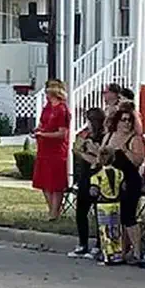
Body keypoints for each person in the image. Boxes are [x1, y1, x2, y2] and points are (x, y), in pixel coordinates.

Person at [101, 102, 145, 262]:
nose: (126, 123)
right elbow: (102, 158)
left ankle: (137, 250)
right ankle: (118, 249)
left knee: (129, 216)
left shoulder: (135, 139)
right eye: (123, 120)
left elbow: (138, 161)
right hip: (112, 181)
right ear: (117, 122)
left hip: (130, 180)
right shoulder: (109, 136)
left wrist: (125, 150)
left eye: (129, 120)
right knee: (114, 216)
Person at [69, 107, 106, 259]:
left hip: (97, 177)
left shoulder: (103, 138)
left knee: (98, 212)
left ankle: (99, 244)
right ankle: (82, 243)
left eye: (89, 121)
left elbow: (99, 160)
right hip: (85, 176)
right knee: (81, 211)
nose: (87, 124)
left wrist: (85, 153)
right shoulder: (87, 136)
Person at [32, 79, 71, 221]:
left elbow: (62, 133)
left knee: (56, 183)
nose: (46, 92)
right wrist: (39, 129)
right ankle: (52, 210)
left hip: (57, 150)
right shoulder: (47, 107)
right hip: (44, 148)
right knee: (44, 181)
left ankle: (54, 213)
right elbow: (42, 122)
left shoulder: (62, 109)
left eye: (48, 89)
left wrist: (44, 134)